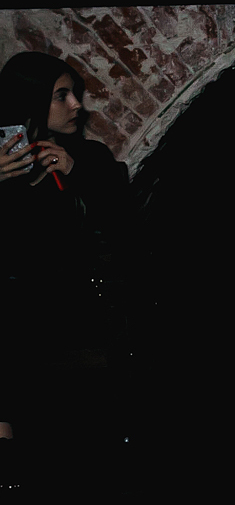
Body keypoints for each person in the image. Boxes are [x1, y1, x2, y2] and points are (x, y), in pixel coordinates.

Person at [0, 51, 134, 453]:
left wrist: (78, 173)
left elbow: (126, 230)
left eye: (75, 93)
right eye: (62, 96)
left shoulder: (91, 159)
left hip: (90, 336)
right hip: (23, 343)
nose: (76, 105)